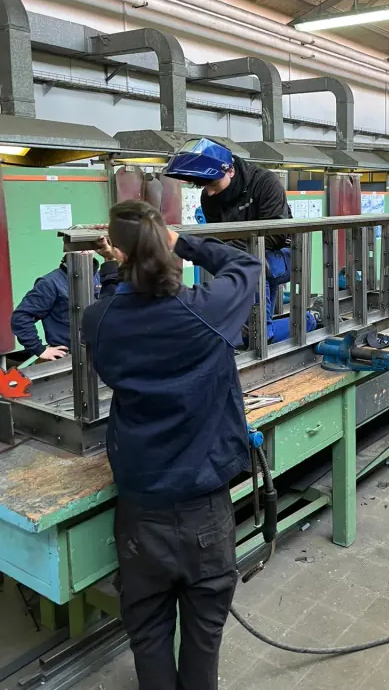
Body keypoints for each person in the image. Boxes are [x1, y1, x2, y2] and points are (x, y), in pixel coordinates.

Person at [82, 200, 261, 690]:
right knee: (203, 637)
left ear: (120, 253)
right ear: (164, 246)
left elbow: (114, 308)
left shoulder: (98, 320)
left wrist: (115, 267)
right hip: (204, 508)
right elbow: (246, 264)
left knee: (148, 634)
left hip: (140, 511)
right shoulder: (207, 310)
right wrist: (182, 241)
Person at [164, 138, 318, 343]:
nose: (209, 192)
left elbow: (277, 234)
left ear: (230, 171)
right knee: (251, 326)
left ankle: (310, 319)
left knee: (252, 270)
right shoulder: (209, 198)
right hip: (250, 259)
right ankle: (262, 329)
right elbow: (218, 240)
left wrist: (230, 250)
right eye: (203, 185)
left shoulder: (265, 182)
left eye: (212, 183)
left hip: (284, 257)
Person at [11, 255, 104, 360]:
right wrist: (39, 349)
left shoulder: (100, 277)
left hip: (100, 354)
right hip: (69, 358)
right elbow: (21, 317)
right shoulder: (50, 283)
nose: (84, 250)